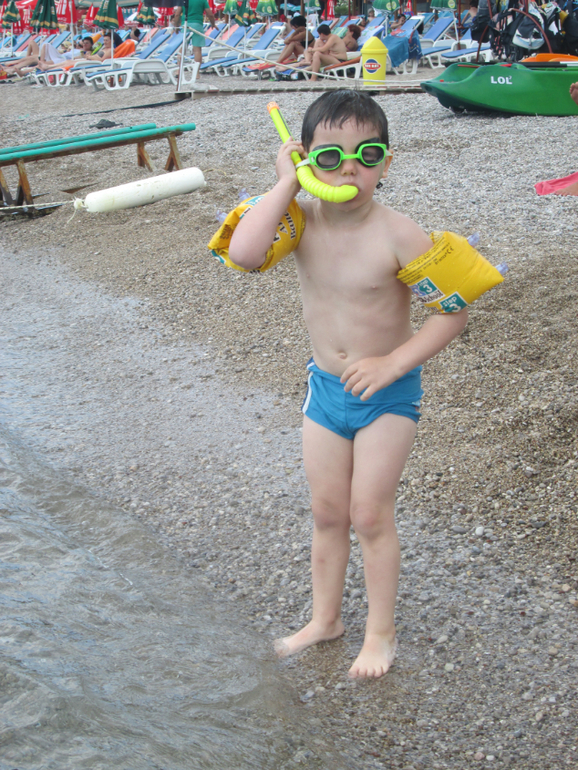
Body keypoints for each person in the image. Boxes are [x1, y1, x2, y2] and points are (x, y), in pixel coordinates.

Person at [226, 91, 469, 679]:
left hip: (386, 396)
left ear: (387, 162)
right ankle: (325, 619)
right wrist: (285, 183)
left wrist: (394, 363)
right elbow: (244, 254)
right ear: (308, 159)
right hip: (326, 393)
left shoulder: (400, 234)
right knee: (329, 511)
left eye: (368, 154)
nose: (350, 168)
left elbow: (452, 312)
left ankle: (379, 633)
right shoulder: (301, 221)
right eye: (330, 157)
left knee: (370, 514)